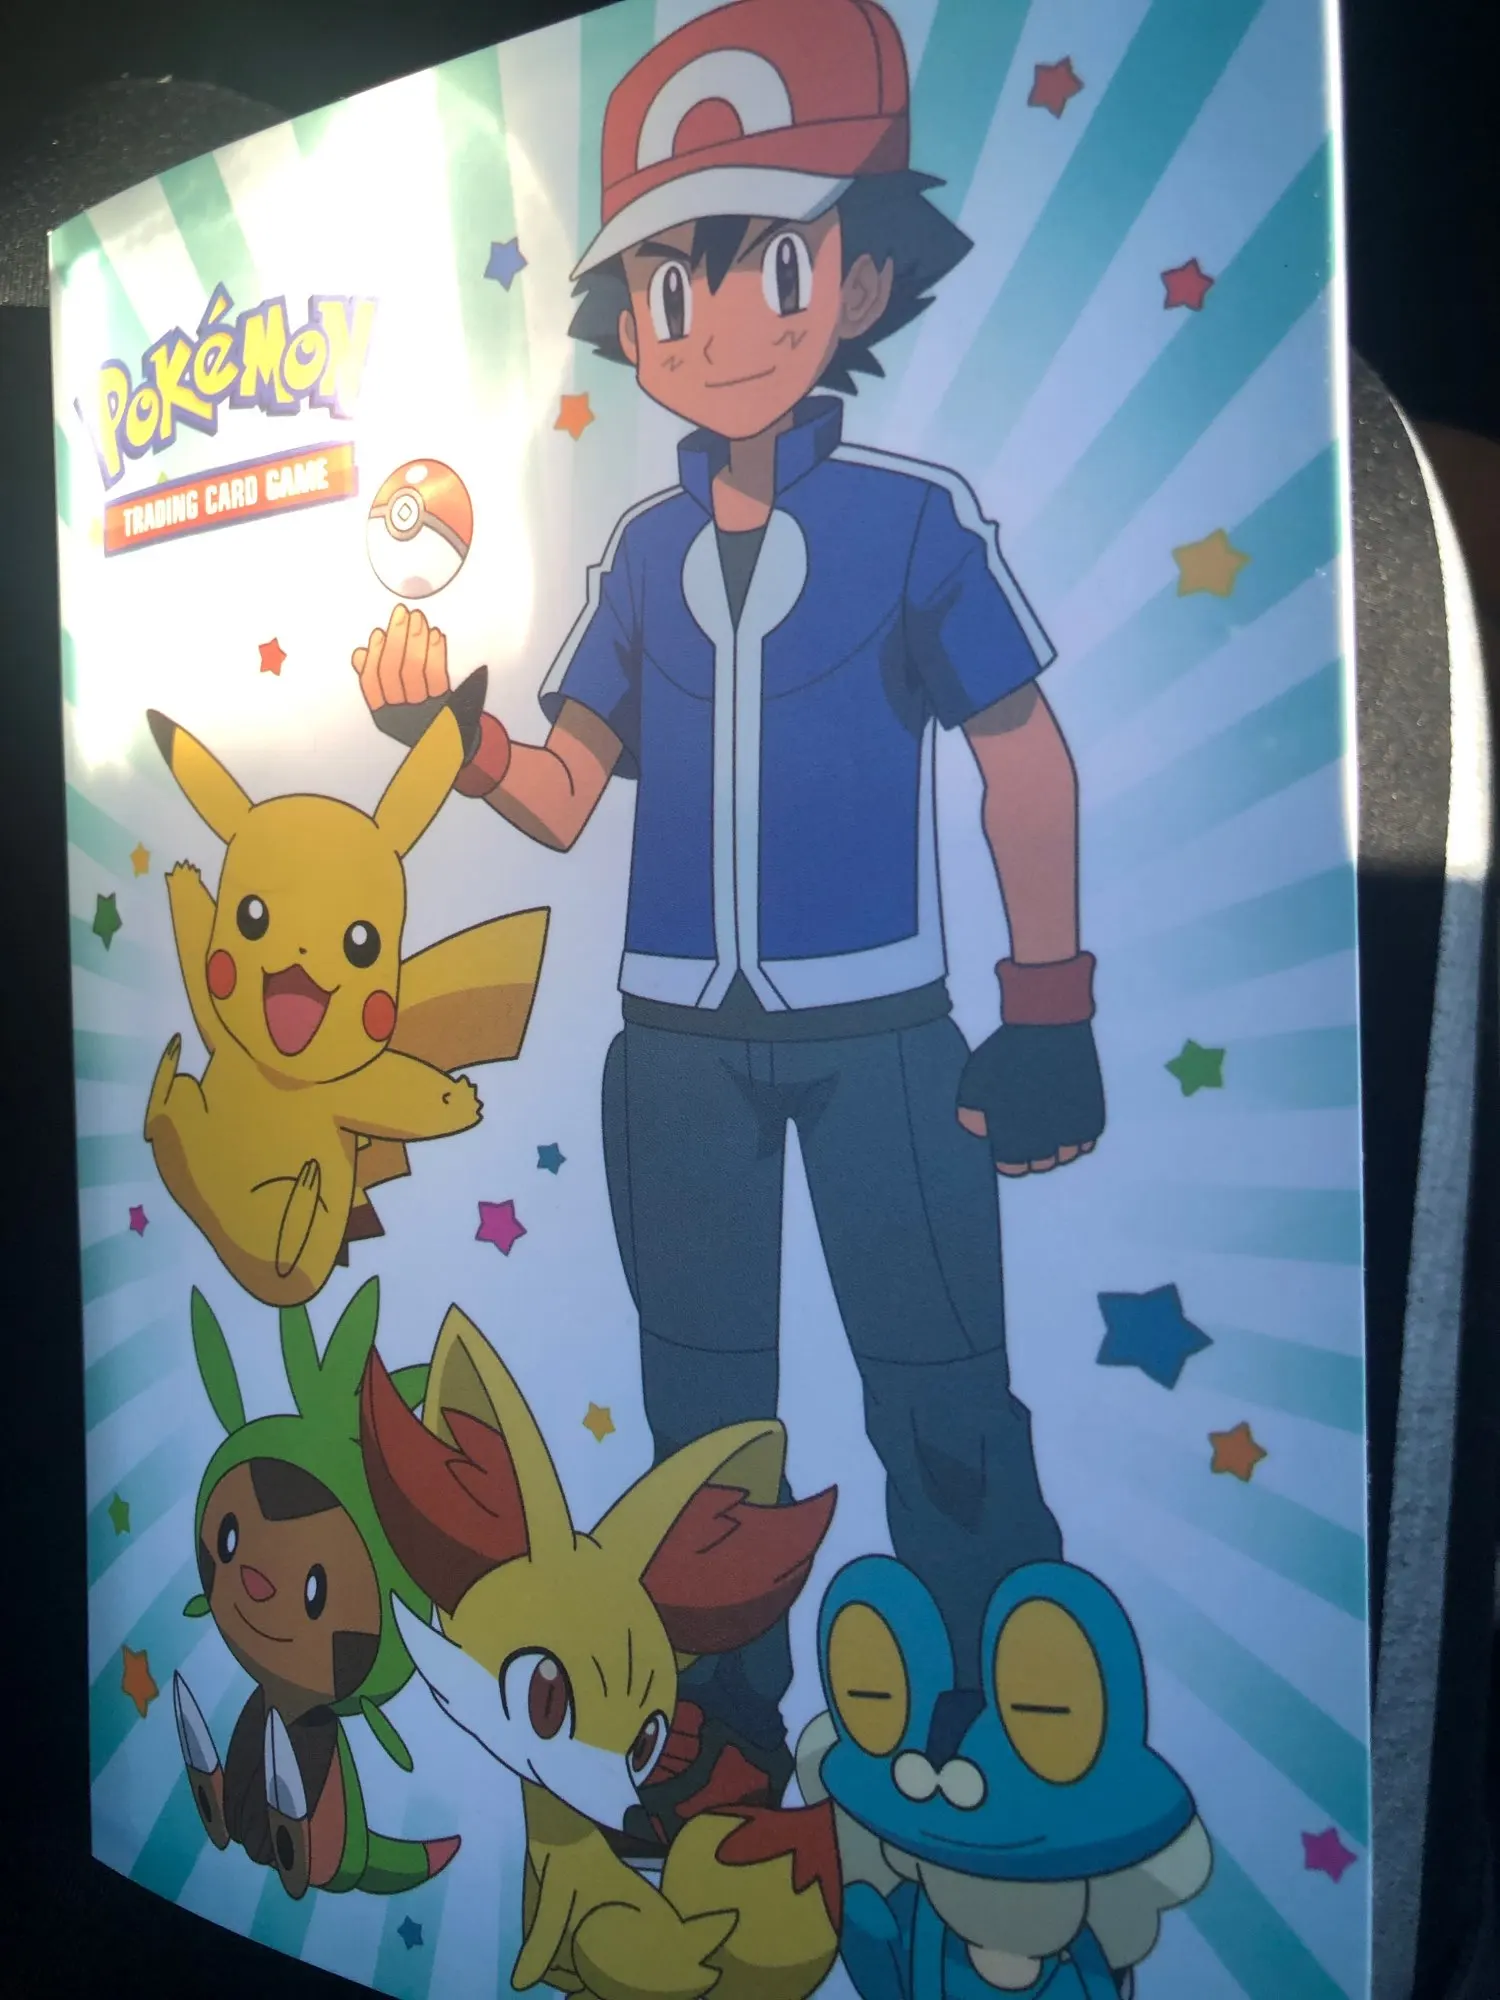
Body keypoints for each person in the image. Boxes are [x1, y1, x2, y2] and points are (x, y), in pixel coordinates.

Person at [352, 0, 1105, 1837]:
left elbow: (1021, 752)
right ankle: (720, 1732)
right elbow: (561, 793)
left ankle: (1011, 1731)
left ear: (861, 278)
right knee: (705, 1418)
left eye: (774, 266)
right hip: (676, 1049)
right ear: (632, 325)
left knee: (942, 1387)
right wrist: (452, 736)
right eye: (671, 290)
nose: (719, 330)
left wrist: (1052, 1005)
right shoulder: (636, 556)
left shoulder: (912, 526)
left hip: (885, 1036)